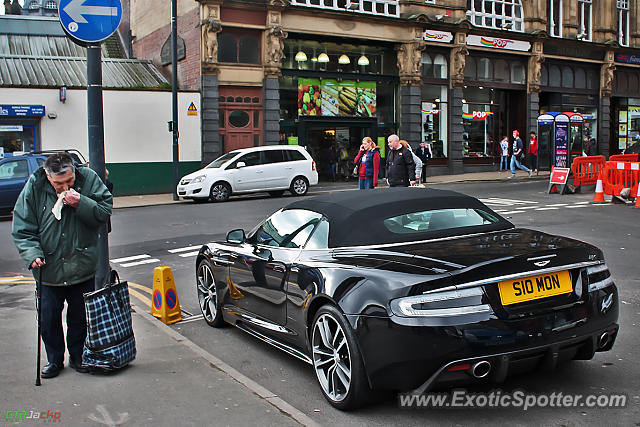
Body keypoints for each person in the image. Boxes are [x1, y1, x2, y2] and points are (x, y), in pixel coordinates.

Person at [12, 153, 113, 379]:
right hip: (49, 268)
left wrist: (81, 202)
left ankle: (77, 357)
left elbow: (104, 212)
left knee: (79, 317)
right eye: (59, 183)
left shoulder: (87, 179)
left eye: (69, 181)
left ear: (74, 172)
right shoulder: (35, 186)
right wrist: (32, 254)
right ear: (48, 178)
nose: (65, 187)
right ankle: (54, 360)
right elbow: (23, 228)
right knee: (48, 318)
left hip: (81, 263)